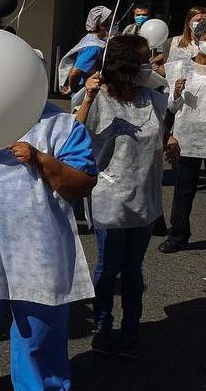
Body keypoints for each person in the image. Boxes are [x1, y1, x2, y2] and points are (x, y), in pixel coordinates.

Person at [0, 102, 97, 390]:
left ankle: (38, 385)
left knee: (37, 328)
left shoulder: (62, 124)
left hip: (39, 249)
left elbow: (82, 183)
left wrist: (40, 160)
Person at [74, 35, 178, 358]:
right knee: (107, 269)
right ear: (127, 65)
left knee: (133, 269)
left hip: (144, 202)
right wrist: (89, 98)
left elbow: (164, 129)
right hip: (109, 200)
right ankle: (103, 326)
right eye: (144, 58)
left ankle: (131, 331)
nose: (150, 63)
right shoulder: (100, 98)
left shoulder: (152, 98)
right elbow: (74, 134)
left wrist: (171, 140)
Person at [158, 19, 206, 253]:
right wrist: (175, 94)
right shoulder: (182, 67)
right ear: (198, 40)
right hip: (188, 136)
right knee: (184, 189)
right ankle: (178, 235)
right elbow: (172, 106)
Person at [59, 5, 113, 95]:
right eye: (110, 24)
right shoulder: (94, 47)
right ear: (101, 25)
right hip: (85, 93)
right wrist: (71, 88)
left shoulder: (90, 39)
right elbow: (75, 72)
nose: (113, 27)